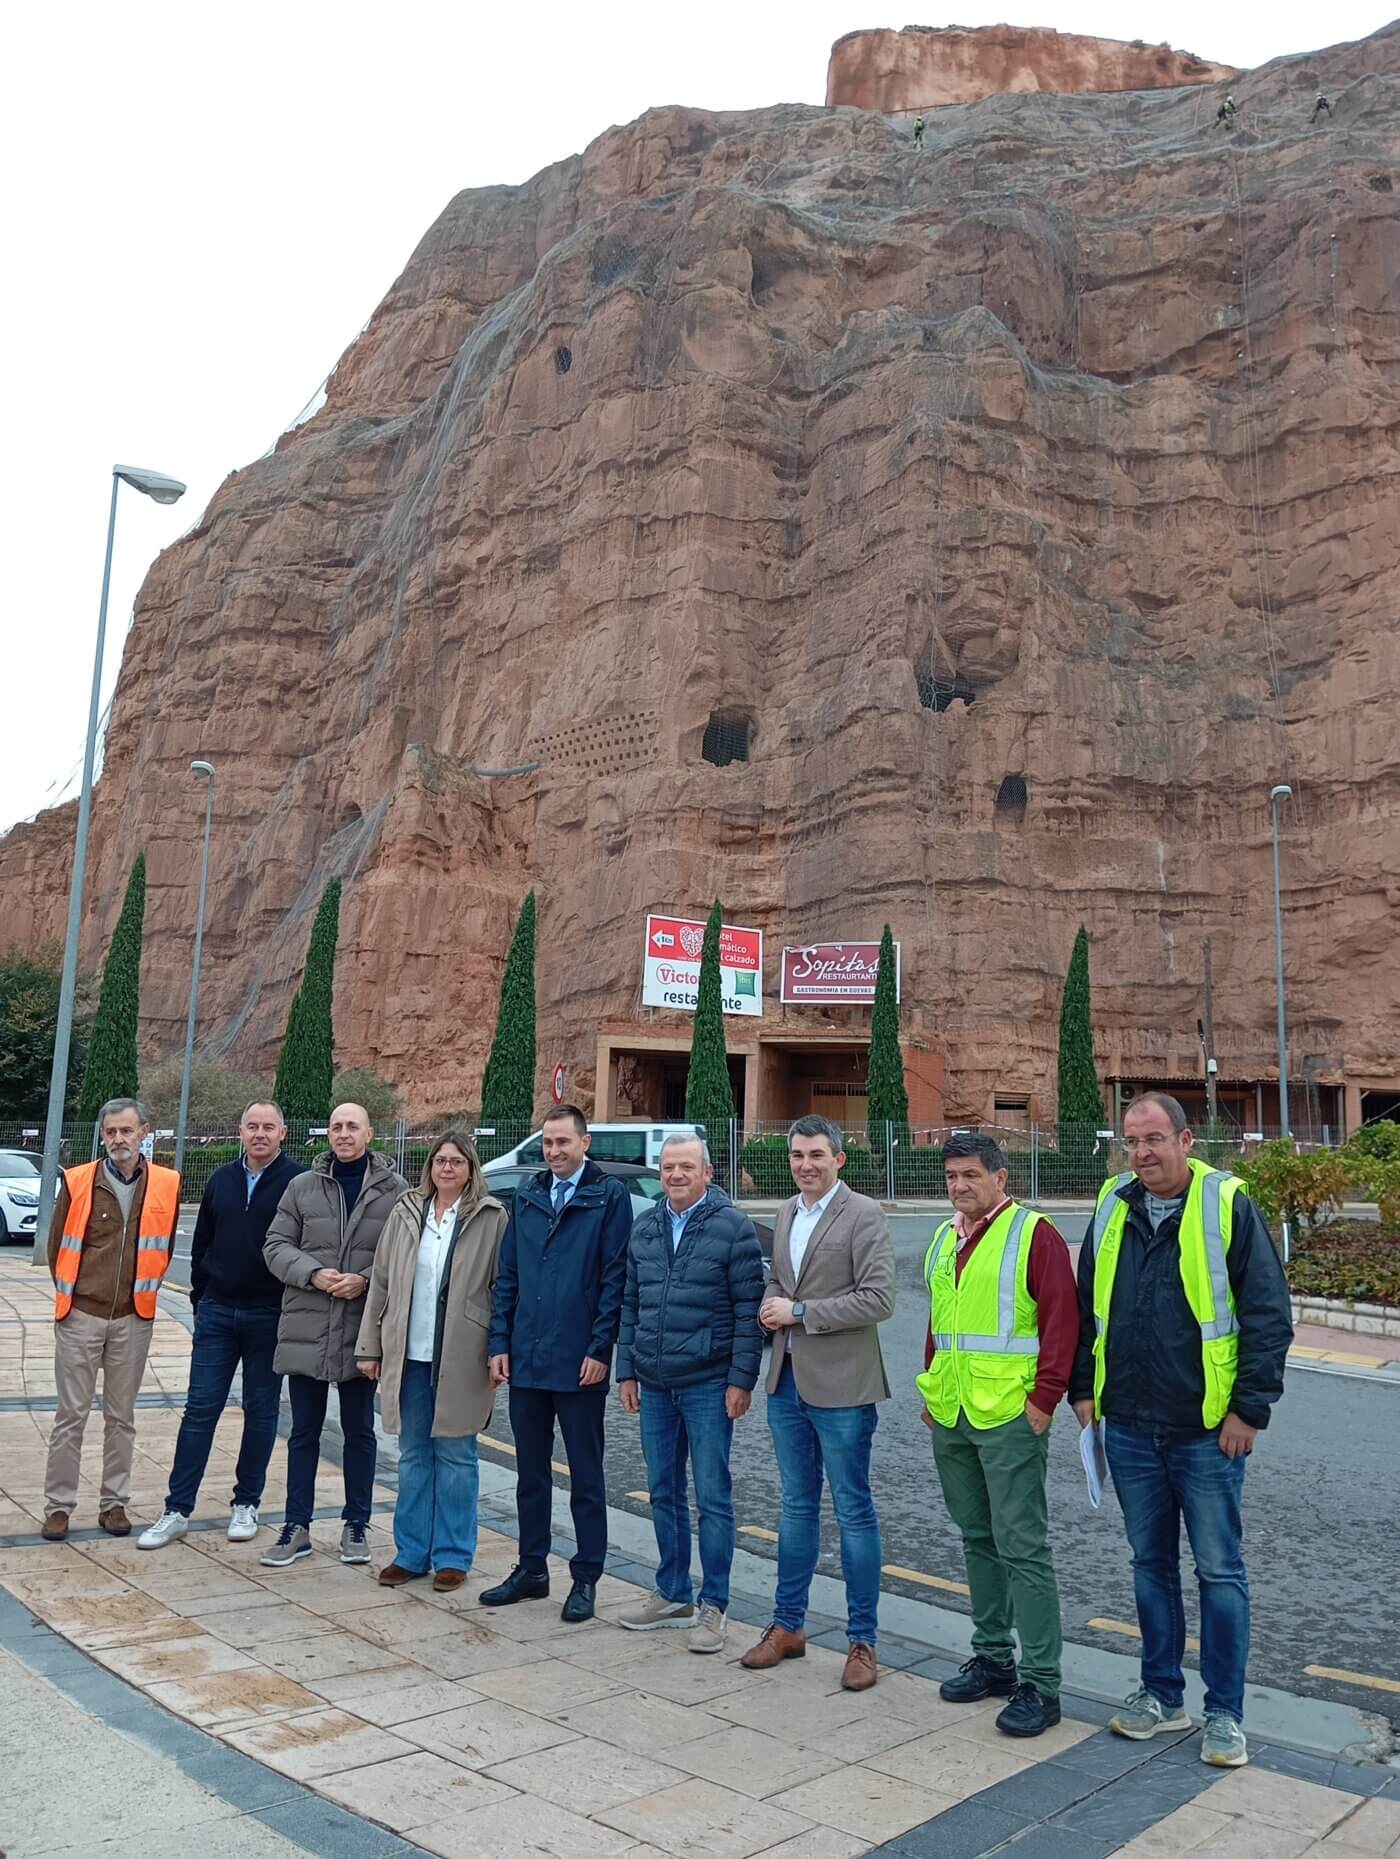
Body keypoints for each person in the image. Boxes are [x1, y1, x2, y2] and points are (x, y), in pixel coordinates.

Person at [1070, 1091, 1293, 1770]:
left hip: (1206, 1431)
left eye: (1154, 1139)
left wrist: (1249, 1409)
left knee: (1220, 1571)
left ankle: (1224, 1713)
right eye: (1131, 1141)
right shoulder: (1113, 1204)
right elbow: (1087, 1308)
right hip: (1131, 1426)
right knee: (1150, 1566)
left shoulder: (1227, 1206)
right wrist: (1084, 1388)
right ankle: (1162, 1695)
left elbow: (1266, 1314)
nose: (1141, 1153)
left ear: (1186, 1139)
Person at [916, 1133, 1077, 1737]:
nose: (960, 1186)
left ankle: (1042, 1682)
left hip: (1011, 1414)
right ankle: (994, 1659)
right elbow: (940, 1320)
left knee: (1023, 1547)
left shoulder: (1033, 1235)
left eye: (971, 1176)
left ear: (1000, 1178)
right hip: (953, 1413)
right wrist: (933, 1389)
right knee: (977, 1538)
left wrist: (1044, 1402)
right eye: (952, 1175)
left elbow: (1064, 1320)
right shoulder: (943, 1236)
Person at [744, 1114, 896, 1692]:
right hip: (786, 1382)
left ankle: (862, 1641)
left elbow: (878, 1299)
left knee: (854, 1512)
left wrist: (800, 1314)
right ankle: (788, 1626)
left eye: (816, 1155)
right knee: (796, 1509)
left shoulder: (864, 1214)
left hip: (844, 1389)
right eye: (797, 1156)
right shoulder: (785, 1213)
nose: (805, 1165)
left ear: (839, 1159)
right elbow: (781, 1281)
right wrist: (772, 1301)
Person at [615, 1134, 765, 1654]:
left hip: (707, 1383)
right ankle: (673, 1593)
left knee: (713, 1497)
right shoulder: (647, 1225)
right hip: (653, 1384)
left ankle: (714, 1605)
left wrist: (741, 1380)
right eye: (668, 1167)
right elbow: (631, 1302)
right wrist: (625, 1370)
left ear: (707, 1171)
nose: (675, 1175)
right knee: (662, 1491)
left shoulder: (733, 1227)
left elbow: (750, 1312)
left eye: (686, 1167)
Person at [483, 1104, 631, 1622]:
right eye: (547, 1142)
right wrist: (498, 1342)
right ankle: (532, 1570)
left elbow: (615, 1278)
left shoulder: (608, 1197)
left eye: (563, 1142)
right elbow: (509, 1277)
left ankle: (586, 1577)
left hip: (577, 1362)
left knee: (586, 1478)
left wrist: (600, 1349)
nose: (554, 1151)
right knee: (530, 1473)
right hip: (526, 1357)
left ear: (584, 1143)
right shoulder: (528, 1195)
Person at [139, 1102, 305, 1549]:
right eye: (252, 1126)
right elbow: (201, 1247)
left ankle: (245, 1503)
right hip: (217, 1312)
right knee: (199, 1411)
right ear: (240, 1130)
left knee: (262, 1411)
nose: (260, 1134)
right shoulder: (220, 1179)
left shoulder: (299, 1182)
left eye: (269, 1127)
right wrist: (201, 1299)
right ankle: (176, 1509)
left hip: (269, 1316)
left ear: (283, 1133)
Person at [356, 1132, 508, 1592]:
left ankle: (453, 1556)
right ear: (430, 1167)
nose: (447, 1168)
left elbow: (504, 1288)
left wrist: (499, 1348)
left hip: (463, 1356)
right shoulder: (405, 1213)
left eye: (457, 1162)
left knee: (458, 1458)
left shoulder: (492, 1217)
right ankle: (411, 1553)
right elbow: (381, 1280)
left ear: (470, 1169)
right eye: (440, 1160)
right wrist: (370, 1346)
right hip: (410, 1354)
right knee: (413, 1456)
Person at [259, 1104, 407, 1567]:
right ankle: (296, 1526)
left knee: (359, 1431)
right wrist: (315, 1274)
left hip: (362, 1327)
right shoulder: (301, 1186)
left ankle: (356, 1524)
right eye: (336, 1127)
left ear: (369, 1133)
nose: (343, 1134)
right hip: (307, 1322)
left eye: (352, 1127)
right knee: (303, 1431)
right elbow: (275, 1245)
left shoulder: (395, 1191)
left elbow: (402, 1252)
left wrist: (363, 1278)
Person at [41, 1099, 181, 1540]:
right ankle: (58, 1507)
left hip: (132, 1318)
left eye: (126, 1131)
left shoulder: (166, 1183)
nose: (118, 1139)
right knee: (71, 1416)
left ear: (145, 1132)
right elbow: (57, 1247)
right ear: (102, 1135)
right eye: (111, 1132)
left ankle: (114, 1504)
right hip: (81, 1314)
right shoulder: (79, 1180)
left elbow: (167, 1246)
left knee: (122, 1417)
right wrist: (74, 1299)